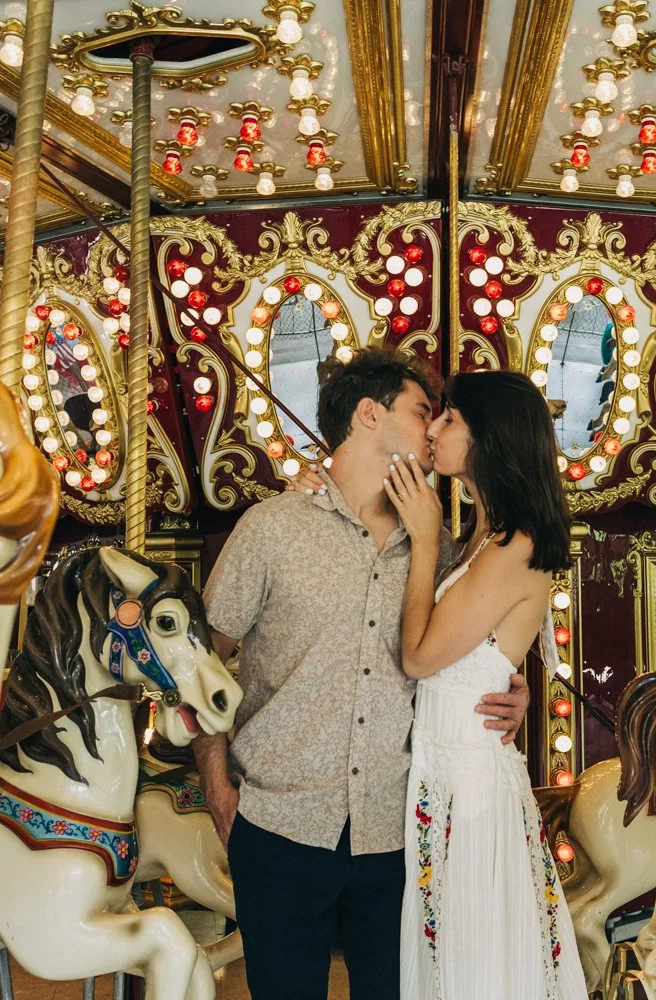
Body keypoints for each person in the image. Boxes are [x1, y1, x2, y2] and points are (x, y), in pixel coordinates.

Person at [193, 347, 531, 1000]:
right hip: (280, 822)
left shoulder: (438, 549)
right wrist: (215, 782)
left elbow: (465, 652)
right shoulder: (272, 529)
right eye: (423, 411)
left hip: (396, 831)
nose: (434, 429)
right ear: (370, 414)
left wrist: (506, 688)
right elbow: (198, 662)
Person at [383, 370, 588, 1000]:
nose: (435, 429)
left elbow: (418, 657)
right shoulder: (483, 536)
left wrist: (424, 539)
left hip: (468, 789)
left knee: (473, 961)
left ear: (489, 438)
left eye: (450, 419)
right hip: (443, 774)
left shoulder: (514, 546)